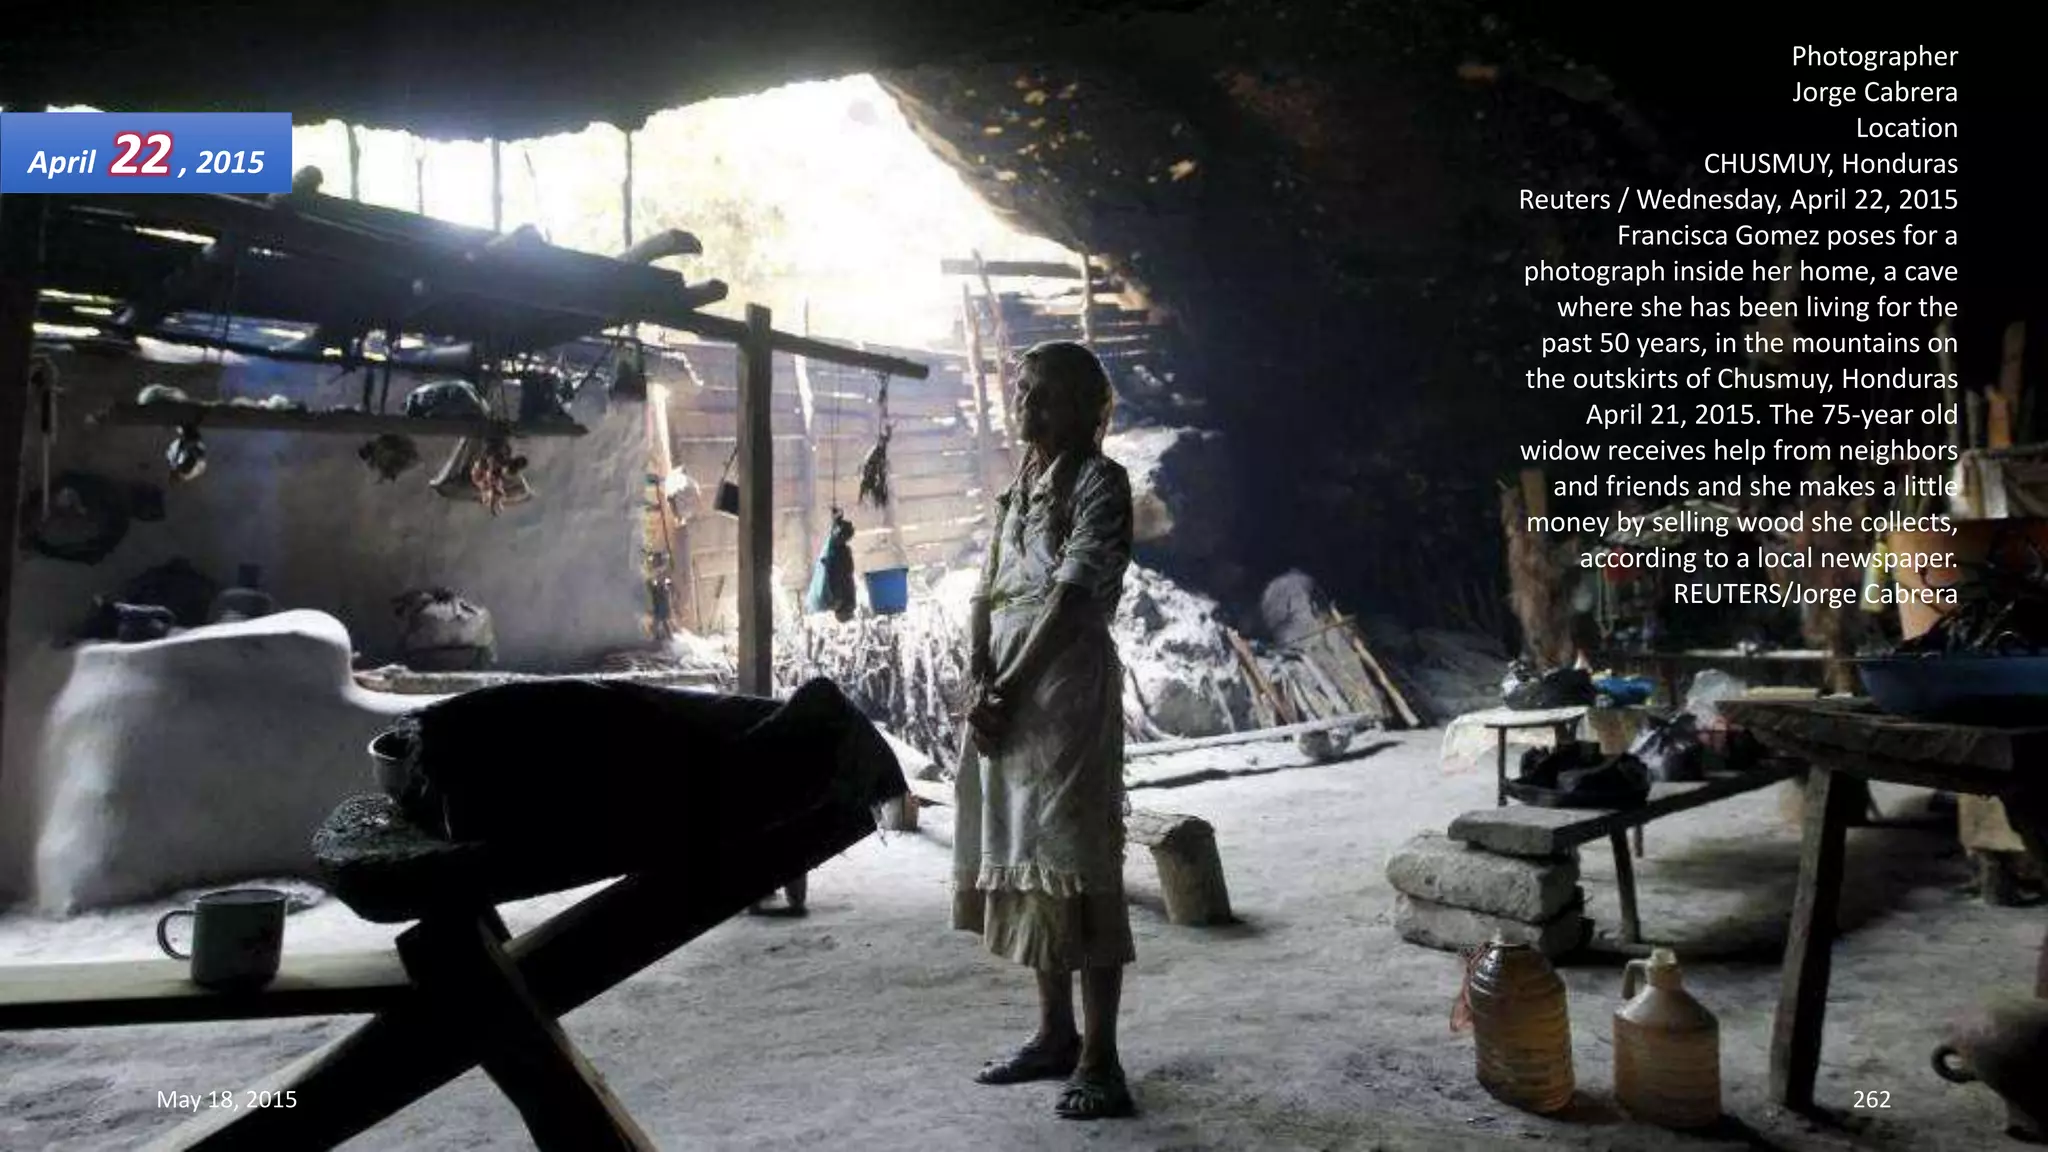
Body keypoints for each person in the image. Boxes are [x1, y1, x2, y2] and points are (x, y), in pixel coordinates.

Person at [953, 340, 1137, 1120]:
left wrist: (1013, 688)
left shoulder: (1101, 482)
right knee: (1026, 858)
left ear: (1086, 408)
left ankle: (1102, 1058)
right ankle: (1053, 1034)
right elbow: (987, 593)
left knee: (1078, 859)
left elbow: (1069, 600)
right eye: (1022, 392)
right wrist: (975, 683)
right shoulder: (1016, 490)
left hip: (1062, 693)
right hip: (1007, 696)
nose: (1025, 406)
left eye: (1044, 394)